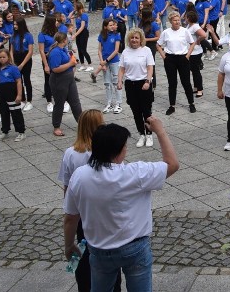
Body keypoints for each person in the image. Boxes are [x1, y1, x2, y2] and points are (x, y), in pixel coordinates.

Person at [63, 117, 179, 291]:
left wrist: (69, 244)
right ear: (118, 151)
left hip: (99, 250)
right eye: (125, 146)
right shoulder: (134, 174)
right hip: (135, 248)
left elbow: (71, 218)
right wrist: (160, 131)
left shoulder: (80, 176)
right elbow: (172, 164)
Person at [57, 109, 116, 292]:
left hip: (82, 211)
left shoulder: (70, 153)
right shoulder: (107, 152)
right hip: (104, 211)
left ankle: (85, 285)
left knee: (83, 249)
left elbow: (66, 186)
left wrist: (69, 207)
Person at [118, 29, 156, 148]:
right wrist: (119, 81)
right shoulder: (125, 51)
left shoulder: (146, 50)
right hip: (131, 85)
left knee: (146, 111)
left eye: (136, 38)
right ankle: (141, 134)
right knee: (136, 112)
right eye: (132, 38)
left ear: (141, 39)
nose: (134, 40)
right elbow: (122, 69)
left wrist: (148, 81)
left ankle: (149, 134)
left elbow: (150, 67)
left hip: (144, 84)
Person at [157, 12, 196, 115]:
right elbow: (158, 45)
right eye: (175, 20)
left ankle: (191, 103)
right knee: (172, 83)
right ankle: (172, 105)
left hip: (183, 58)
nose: (177, 22)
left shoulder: (185, 31)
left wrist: (187, 55)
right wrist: (164, 57)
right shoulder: (166, 32)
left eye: (178, 20)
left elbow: (192, 43)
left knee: (186, 82)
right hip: (170, 59)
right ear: (170, 22)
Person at [48, 32, 83, 137]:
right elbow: (55, 69)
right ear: (64, 40)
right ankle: (56, 126)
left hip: (69, 79)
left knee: (75, 103)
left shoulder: (64, 49)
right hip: (58, 81)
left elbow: (69, 63)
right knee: (59, 104)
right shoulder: (55, 52)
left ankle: (82, 125)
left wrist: (72, 64)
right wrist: (70, 64)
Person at [0, 48, 25, 141]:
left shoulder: (13, 68)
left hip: (11, 93)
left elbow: (19, 82)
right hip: (0, 93)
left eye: (4, 57)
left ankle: (21, 131)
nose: (2, 59)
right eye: (0, 57)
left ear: (8, 57)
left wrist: (19, 95)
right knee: (3, 112)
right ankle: (5, 131)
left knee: (15, 112)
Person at [95, 20, 123, 114]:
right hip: (105, 62)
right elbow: (99, 50)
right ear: (105, 26)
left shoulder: (117, 35)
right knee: (107, 83)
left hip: (114, 62)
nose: (112, 26)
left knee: (116, 82)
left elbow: (116, 50)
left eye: (113, 25)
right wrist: (102, 62)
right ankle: (109, 103)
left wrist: (106, 61)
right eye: (110, 25)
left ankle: (118, 104)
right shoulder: (102, 36)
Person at [8, 17, 35, 112]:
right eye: (14, 25)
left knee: (27, 80)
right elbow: (11, 50)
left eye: (16, 25)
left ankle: (29, 101)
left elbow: (30, 51)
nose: (15, 26)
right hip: (16, 58)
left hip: (26, 59)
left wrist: (22, 64)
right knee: (18, 81)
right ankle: (22, 99)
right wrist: (12, 61)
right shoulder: (13, 35)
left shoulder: (28, 36)